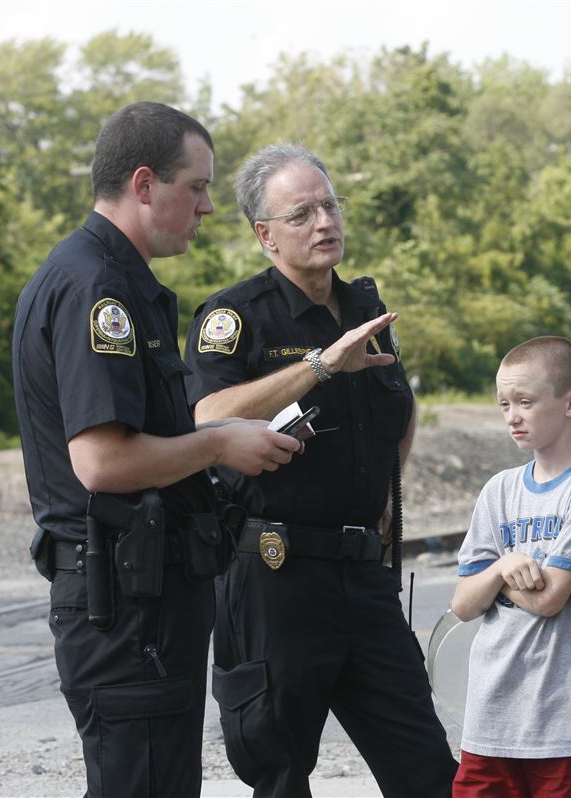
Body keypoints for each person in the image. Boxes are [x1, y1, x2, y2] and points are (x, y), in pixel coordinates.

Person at [11, 102, 303, 798]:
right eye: (196, 187)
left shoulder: (109, 279)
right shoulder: (97, 287)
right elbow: (102, 462)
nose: (206, 207)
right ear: (144, 185)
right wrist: (218, 444)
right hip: (125, 604)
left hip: (143, 597)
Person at [182, 143, 458, 798]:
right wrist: (319, 367)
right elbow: (206, 415)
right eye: (302, 213)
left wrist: (387, 500)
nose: (324, 222)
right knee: (281, 775)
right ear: (265, 235)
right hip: (278, 576)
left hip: (363, 576)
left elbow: (400, 408)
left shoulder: (367, 309)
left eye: (329, 205)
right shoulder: (236, 317)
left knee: (427, 770)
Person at [450, 336, 571, 798]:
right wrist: (500, 568)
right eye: (504, 404)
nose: (512, 416)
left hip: (568, 729)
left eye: (526, 402)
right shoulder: (499, 490)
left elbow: (550, 599)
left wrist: (491, 577)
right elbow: (464, 604)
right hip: (489, 725)